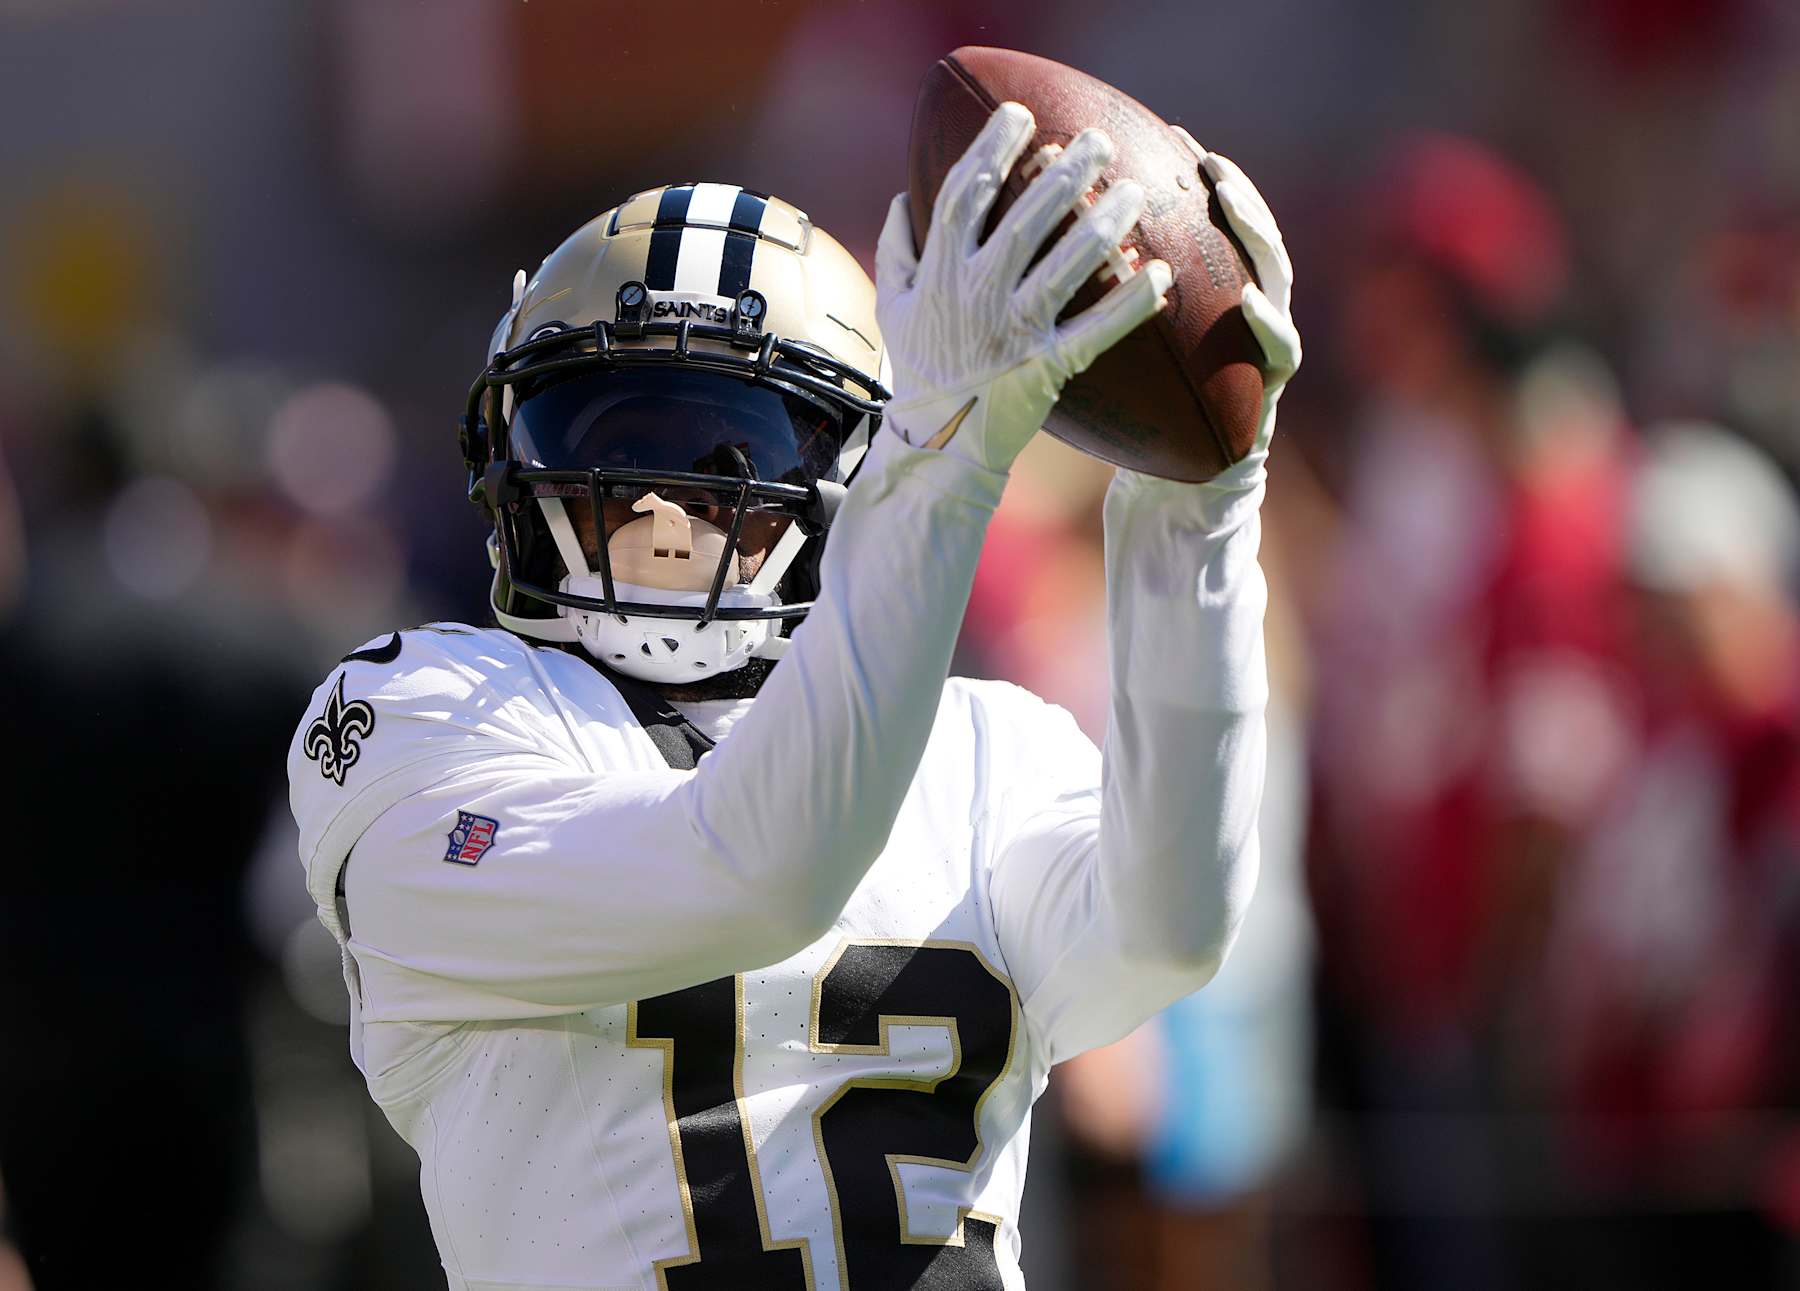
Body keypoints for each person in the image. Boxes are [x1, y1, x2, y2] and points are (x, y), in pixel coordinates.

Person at [287, 103, 1299, 1289]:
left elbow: (1168, 933)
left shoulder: (981, 750)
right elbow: (753, 871)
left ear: (845, 475)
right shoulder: (431, 716)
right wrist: (946, 456)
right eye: (609, 433)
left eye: (729, 461)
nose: (662, 503)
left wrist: (1197, 509)